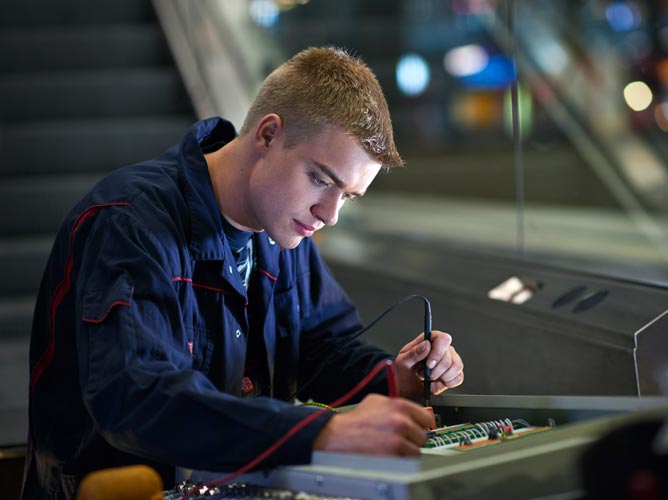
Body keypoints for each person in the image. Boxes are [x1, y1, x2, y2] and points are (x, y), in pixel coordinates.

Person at [22, 47, 464, 499]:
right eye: (321, 179)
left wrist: (395, 376)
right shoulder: (131, 222)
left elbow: (322, 347)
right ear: (269, 135)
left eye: (348, 196)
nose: (330, 215)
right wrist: (320, 433)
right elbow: (138, 399)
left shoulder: (282, 230)